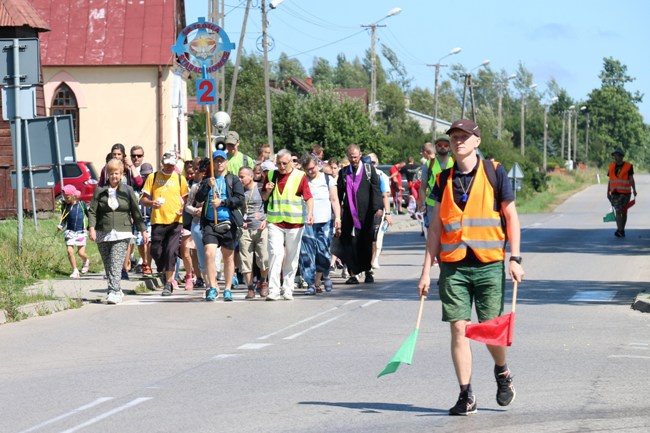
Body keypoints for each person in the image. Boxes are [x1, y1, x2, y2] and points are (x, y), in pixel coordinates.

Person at [417, 119, 524, 416]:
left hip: (489, 263)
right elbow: (435, 227)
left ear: (477, 140)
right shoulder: (443, 179)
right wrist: (426, 271)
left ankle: (502, 371)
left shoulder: (494, 172)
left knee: (490, 330)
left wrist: (515, 259)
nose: (458, 141)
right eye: (454, 137)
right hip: (453, 267)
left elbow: (511, 217)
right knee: (459, 331)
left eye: (464, 136)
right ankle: (466, 395)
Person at [88, 159, 147, 304]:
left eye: (117, 173)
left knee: (115, 261)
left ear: (121, 174)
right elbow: (92, 211)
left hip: (122, 232)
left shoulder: (127, 190)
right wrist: (91, 229)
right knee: (108, 264)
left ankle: (113, 292)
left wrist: (143, 231)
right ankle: (115, 288)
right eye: (111, 173)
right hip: (103, 231)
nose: (114, 176)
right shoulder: (100, 191)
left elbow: (136, 212)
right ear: (107, 175)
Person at [261, 149, 313, 301]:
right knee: (275, 254)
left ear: (291, 162)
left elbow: (308, 197)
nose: (281, 166)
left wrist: (310, 213)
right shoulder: (271, 175)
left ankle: (288, 288)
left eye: (284, 163)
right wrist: (268, 191)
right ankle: (273, 290)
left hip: (295, 223)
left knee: (291, 256)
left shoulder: (300, 176)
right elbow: (264, 197)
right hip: (275, 222)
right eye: (279, 163)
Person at [196, 150, 245, 302]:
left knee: (228, 256)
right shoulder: (207, 180)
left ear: (226, 162)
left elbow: (239, 199)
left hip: (228, 222)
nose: (219, 163)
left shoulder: (233, 179)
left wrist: (222, 202)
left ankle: (228, 288)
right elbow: (198, 198)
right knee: (209, 253)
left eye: (222, 160)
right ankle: (212, 287)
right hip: (210, 223)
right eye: (216, 160)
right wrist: (207, 187)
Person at [140, 150, 189, 296]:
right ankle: (163, 271)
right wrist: (151, 203)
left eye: (171, 165)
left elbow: (185, 198)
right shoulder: (153, 177)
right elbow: (143, 199)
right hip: (158, 221)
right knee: (155, 250)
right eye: (167, 164)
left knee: (171, 252)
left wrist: (182, 208)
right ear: (162, 163)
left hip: (175, 222)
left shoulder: (180, 179)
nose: (169, 167)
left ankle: (168, 283)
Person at [335, 144, 383, 284]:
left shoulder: (369, 170)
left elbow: (376, 190)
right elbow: (338, 195)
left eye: (355, 157)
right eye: (350, 157)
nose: (353, 160)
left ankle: (368, 271)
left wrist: (378, 208)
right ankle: (353, 273)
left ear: (360, 155)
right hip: (349, 213)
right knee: (348, 242)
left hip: (366, 212)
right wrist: (337, 213)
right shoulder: (344, 172)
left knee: (366, 242)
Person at [299, 153, 341, 295]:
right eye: (307, 169)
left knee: (322, 252)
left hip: (325, 221)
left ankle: (325, 275)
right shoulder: (302, 180)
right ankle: (312, 283)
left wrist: (338, 218)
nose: (311, 171)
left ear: (317, 165)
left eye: (312, 168)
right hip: (307, 222)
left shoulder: (327, 179)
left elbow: (334, 200)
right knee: (307, 253)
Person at [237, 166, 270, 299]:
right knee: (245, 259)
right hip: (245, 229)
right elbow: (235, 208)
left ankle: (263, 282)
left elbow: (270, 204)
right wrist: (240, 221)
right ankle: (250, 287)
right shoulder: (238, 191)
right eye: (239, 176)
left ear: (251, 176)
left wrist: (266, 220)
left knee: (263, 257)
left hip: (261, 228)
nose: (240, 179)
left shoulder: (261, 188)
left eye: (242, 177)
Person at [418, 137, 455, 240]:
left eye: (445, 145)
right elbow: (422, 187)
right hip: (432, 206)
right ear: (435, 147)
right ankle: (437, 256)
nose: (442, 147)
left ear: (450, 147)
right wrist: (422, 205)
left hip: (451, 205)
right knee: (435, 236)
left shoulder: (455, 163)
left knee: (451, 235)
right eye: (439, 145)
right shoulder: (429, 164)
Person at [367, 153, 393, 270]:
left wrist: (387, 213)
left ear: (376, 163)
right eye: (369, 162)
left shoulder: (381, 175)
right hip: (364, 210)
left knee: (377, 236)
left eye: (373, 163)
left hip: (378, 210)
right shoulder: (363, 175)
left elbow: (386, 193)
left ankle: (375, 258)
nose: (371, 165)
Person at [58, 185, 89, 278]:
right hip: (70, 231)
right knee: (69, 250)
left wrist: (90, 226)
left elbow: (89, 215)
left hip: (81, 232)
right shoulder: (65, 206)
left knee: (81, 253)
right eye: (64, 197)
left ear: (73, 195)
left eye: (67, 197)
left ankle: (85, 261)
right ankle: (75, 270)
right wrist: (61, 225)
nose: (65, 199)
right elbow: (64, 219)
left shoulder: (82, 205)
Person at [607, 147, 637, 238]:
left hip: (625, 193)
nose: (615, 157)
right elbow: (610, 180)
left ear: (621, 156)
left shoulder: (628, 166)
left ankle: (622, 230)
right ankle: (620, 230)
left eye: (617, 155)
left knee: (624, 212)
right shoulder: (611, 166)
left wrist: (634, 189)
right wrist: (608, 191)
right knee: (618, 210)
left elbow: (631, 179)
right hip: (615, 192)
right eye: (614, 156)